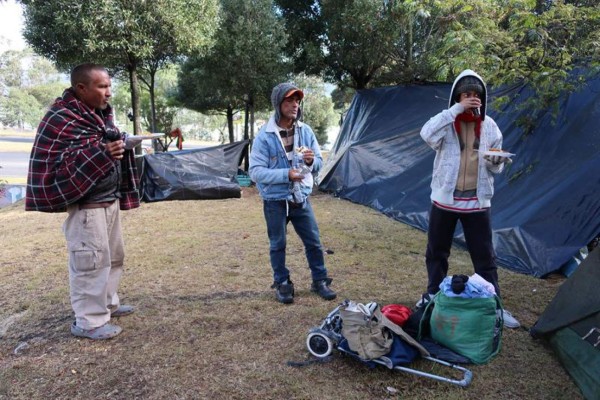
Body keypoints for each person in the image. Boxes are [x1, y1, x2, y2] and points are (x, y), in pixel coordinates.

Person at [26, 63, 141, 339]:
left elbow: (98, 146)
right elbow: (63, 165)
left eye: (109, 86)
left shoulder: (98, 116)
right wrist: (103, 151)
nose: (109, 92)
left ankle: (108, 304)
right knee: (90, 263)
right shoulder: (62, 118)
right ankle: (89, 322)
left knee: (113, 258)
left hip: (108, 201)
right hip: (87, 207)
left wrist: (122, 144)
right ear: (81, 88)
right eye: (102, 86)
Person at [417, 69, 520, 329]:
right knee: (437, 253)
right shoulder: (446, 124)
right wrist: (455, 110)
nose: (471, 99)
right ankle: (432, 296)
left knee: (484, 256)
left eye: (476, 95)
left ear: (483, 98)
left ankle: (494, 305)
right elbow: (426, 134)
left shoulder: (490, 125)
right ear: (456, 96)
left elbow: (496, 164)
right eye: (466, 94)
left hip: (477, 201)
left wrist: (497, 162)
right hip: (445, 200)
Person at [249, 82, 336, 304]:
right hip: (275, 200)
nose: (295, 105)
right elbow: (255, 172)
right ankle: (282, 282)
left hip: (300, 197)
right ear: (278, 104)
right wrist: (286, 174)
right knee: (278, 243)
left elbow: (318, 162)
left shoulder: (305, 131)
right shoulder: (265, 137)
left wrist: (310, 160)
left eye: (297, 101)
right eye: (289, 100)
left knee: (314, 241)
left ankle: (320, 280)